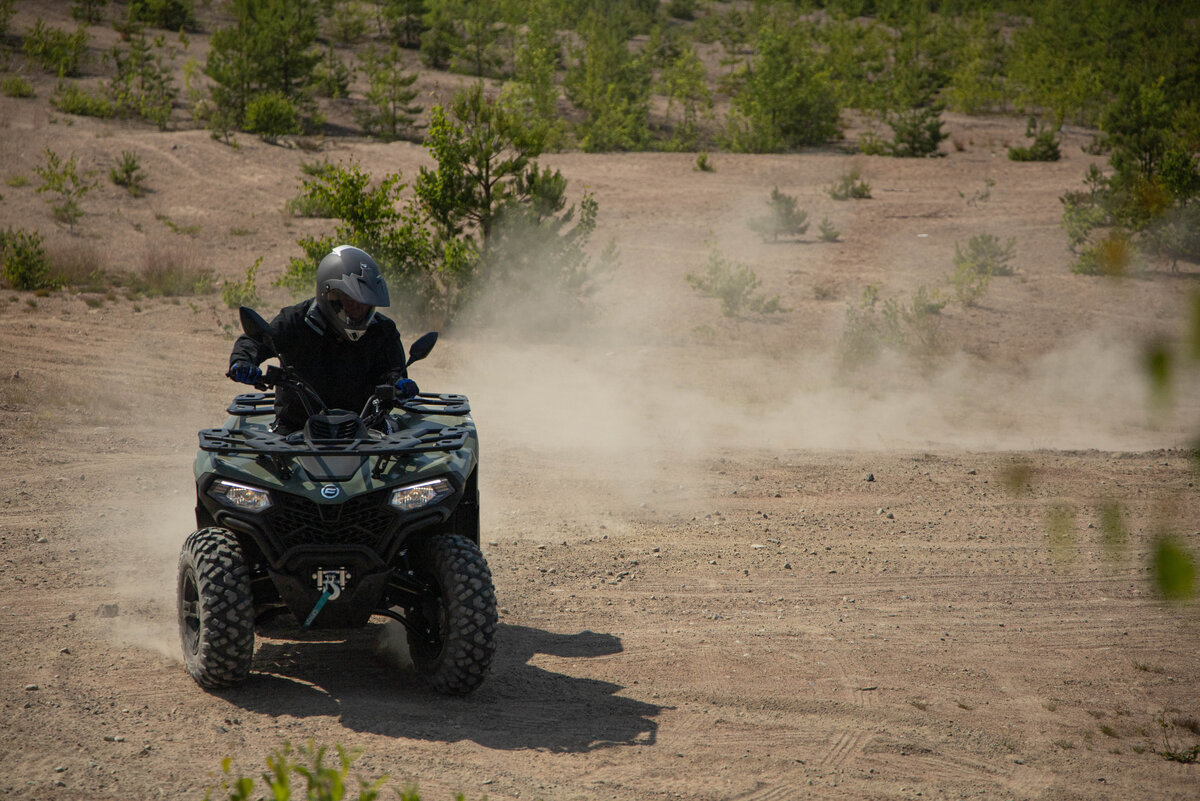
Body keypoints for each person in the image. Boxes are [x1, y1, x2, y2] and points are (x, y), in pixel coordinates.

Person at [227, 245, 419, 434]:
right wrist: (242, 362)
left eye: (365, 304)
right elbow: (256, 340)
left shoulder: (383, 331)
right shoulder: (296, 321)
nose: (358, 310)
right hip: (296, 429)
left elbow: (394, 372)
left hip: (367, 429)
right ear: (330, 296)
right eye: (351, 301)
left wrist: (399, 384)